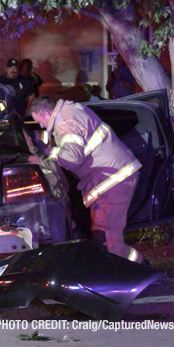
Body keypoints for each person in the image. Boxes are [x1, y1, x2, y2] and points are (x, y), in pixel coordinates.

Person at [28, 96, 146, 264]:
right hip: (113, 176)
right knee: (104, 236)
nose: (41, 126)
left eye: (40, 121)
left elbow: (71, 157)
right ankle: (130, 272)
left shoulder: (64, 123)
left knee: (106, 239)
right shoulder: (72, 110)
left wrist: (47, 154)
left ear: (47, 114)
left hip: (111, 179)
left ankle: (138, 273)